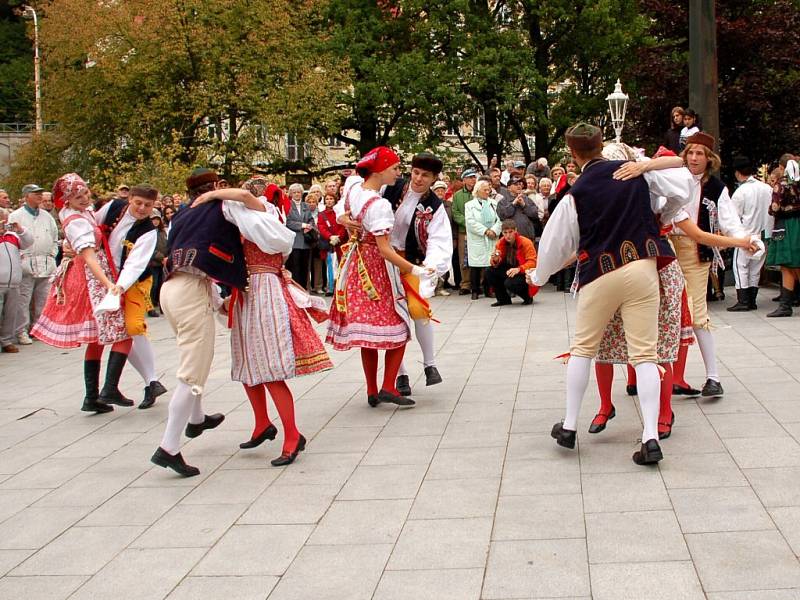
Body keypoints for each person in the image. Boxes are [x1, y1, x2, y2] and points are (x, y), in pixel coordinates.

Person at [528, 123, 694, 466]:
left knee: (584, 349)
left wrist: (537, 275)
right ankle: (649, 436)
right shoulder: (635, 174)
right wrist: (650, 180)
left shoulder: (577, 192)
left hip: (600, 272)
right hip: (644, 268)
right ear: (602, 145)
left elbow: (556, 245)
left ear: (573, 155)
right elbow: (684, 189)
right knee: (645, 355)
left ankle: (570, 426)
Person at [590, 145, 760, 440]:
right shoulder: (605, 195)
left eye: (616, 164)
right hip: (621, 265)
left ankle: (671, 407)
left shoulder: (660, 191)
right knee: (606, 338)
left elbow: (698, 232)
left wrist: (741, 242)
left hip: (665, 264)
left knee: (668, 338)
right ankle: (607, 403)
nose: (612, 169)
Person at [151, 167, 292, 477]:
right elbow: (247, 199)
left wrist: (217, 301)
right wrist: (216, 195)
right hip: (189, 292)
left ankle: (198, 418)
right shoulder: (221, 203)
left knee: (194, 359)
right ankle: (169, 448)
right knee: (191, 373)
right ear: (215, 185)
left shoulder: (182, 214)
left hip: (171, 289)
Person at [193, 180, 328, 466]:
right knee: (247, 363)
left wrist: (211, 194)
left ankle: (292, 435)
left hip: (265, 288)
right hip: (247, 290)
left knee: (268, 366)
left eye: (255, 191)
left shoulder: (265, 214)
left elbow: (241, 196)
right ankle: (262, 422)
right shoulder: (249, 221)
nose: (247, 195)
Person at [327, 146, 433, 408]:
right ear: (380, 170)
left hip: (355, 264)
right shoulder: (379, 204)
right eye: (395, 168)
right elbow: (385, 249)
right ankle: (388, 386)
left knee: (370, 334)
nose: (399, 173)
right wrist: (414, 269)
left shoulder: (354, 187)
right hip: (375, 269)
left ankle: (372, 389)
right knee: (401, 326)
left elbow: (344, 204)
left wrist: (342, 216)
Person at [31, 174, 130, 414]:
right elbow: (87, 254)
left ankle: (92, 396)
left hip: (88, 273)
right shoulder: (75, 220)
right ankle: (108, 388)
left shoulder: (79, 213)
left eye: (86, 193)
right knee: (121, 333)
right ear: (66, 200)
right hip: (90, 277)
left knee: (97, 338)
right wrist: (108, 284)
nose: (85, 199)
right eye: (78, 196)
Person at [670, 132, 746, 397]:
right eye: (690, 152)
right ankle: (672, 376)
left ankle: (713, 377)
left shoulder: (716, 187)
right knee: (668, 314)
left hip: (696, 253)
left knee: (696, 314)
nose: (693, 157)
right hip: (667, 251)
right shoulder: (673, 177)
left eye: (699, 153)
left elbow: (730, 221)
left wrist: (743, 240)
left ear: (709, 159)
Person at [382, 152, 453, 397]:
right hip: (383, 260)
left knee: (418, 308)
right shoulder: (391, 187)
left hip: (412, 262)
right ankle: (400, 374)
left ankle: (430, 364)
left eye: (425, 175)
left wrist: (431, 266)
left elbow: (439, 238)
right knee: (393, 316)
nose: (419, 178)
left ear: (434, 179)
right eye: (416, 172)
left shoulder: (434, 205)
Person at [95, 184, 168, 410]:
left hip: (134, 281)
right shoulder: (112, 208)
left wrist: (118, 287)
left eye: (148, 205)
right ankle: (151, 382)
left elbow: (136, 264)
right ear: (130, 199)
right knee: (122, 331)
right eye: (138, 203)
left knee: (134, 326)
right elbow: (91, 228)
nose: (142, 208)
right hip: (105, 275)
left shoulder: (148, 230)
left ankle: (151, 381)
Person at [8, 184, 59, 346]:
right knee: (23, 299)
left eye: (40, 194)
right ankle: (21, 331)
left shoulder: (46, 216)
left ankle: (39, 329)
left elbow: (55, 237)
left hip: (46, 262)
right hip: (26, 263)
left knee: (43, 299)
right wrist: (21, 258)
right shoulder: (16, 215)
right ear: (26, 196)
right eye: (35, 194)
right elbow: (12, 239)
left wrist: (52, 254)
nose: (39, 197)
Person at [726, 156, 773, 312]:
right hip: (764, 234)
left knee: (740, 267)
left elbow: (733, 217)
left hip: (745, 236)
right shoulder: (767, 188)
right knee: (755, 269)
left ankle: (743, 300)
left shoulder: (741, 192)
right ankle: (751, 300)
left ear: (737, 173)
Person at [766, 155, 800, 317]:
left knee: (791, 263)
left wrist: (773, 210)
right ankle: (785, 305)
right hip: (797, 224)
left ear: (782, 167)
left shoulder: (782, 184)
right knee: (789, 264)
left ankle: (785, 305)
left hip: (787, 225)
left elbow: (775, 207)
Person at [0, 208, 33, 353]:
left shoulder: (13, 236)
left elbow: (29, 242)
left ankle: (6, 341)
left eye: (5, 219)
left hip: (14, 282)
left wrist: (20, 229)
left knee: (11, 314)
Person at [465, 179, 502, 300]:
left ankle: (488, 289)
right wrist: (485, 231)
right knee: (476, 265)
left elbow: (499, 219)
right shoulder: (469, 205)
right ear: (477, 191)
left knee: (490, 264)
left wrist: (494, 230)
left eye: (488, 190)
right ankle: (475, 290)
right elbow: (470, 222)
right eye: (485, 190)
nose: (487, 192)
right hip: (478, 238)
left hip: (492, 237)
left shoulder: (493, 203)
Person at [487, 220, 537, 306]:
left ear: (516, 231)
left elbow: (533, 262)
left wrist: (519, 269)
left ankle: (527, 297)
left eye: (510, 232)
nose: (508, 235)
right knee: (489, 271)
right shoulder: (500, 243)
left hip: (523, 272)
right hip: (510, 270)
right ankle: (503, 299)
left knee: (510, 283)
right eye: (505, 232)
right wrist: (495, 260)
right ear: (502, 233)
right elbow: (496, 263)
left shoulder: (526, 242)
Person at [452, 168, 477, 295]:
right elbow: (455, 213)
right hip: (464, 232)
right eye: (470, 177)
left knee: (478, 257)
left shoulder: (479, 193)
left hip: (478, 232)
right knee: (464, 259)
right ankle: (465, 284)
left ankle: (479, 283)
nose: (473, 179)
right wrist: (467, 222)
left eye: (474, 177)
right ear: (464, 180)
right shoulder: (457, 195)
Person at [286, 183, 316, 289]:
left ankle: (303, 289)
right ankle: (295, 290)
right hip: (294, 242)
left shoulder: (305, 206)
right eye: (294, 192)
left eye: (298, 192)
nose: (297, 194)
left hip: (306, 241)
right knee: (295, 268)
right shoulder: (287, 205)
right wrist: (302, 225)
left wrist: (310, 226)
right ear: (290, 194)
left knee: (304, 268)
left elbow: (311, 220)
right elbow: (288, 222)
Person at [318, 192, 347, 297]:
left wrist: (339, 237)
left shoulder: (339, 212)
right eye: (327, 199)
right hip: (329, 243)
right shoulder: (322, 214)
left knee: (342, 264)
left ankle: (341, 287)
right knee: (330, 265)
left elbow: (343, 225)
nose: (329, 201)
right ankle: (330, 287)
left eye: (331, 199)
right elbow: (321, 227)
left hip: (341, 243)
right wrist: (330, 236)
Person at [496, 177, 540, 241]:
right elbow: (502, 216)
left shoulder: (527, 199)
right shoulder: (503, 201)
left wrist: (524, 205)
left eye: (520, 184)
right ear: (509, 188)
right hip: (510, 239)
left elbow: (535, 214)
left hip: (527, 237)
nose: (519, 186)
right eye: (516, 184)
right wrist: (513, 204)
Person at [148, 209, 168, 317]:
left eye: (157, 219)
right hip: (153, 263)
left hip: (163, 263)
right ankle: (150, 307)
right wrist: (161, 257)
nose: (155, 222)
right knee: (153, 285)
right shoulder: (148, 233)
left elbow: (166, 244)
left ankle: (163, 306)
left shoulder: (162, 232)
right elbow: (150, 249)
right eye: (153, 220)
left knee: (162, 285)